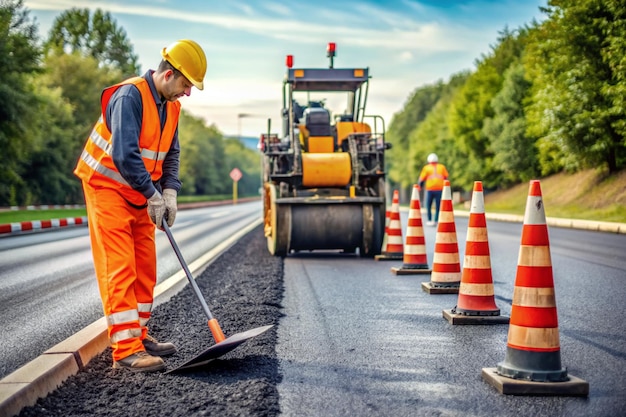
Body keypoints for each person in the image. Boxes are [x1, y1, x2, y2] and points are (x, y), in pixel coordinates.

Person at [74, 40, 207, 372]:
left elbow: (171, 154)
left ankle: (140, 334)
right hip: (107, 186)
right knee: (120, 267)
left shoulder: (171, 107)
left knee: (145, 265)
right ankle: (125, 349)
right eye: (186, 84)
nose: (187, 93)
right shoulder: (129, 96)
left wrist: (170, 191)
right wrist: (153, 194)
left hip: (140, 192)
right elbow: (124, 155)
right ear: (168, 74)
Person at [418, 153, 449, 226]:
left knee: (428, 205)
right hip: (439, 189)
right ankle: (436, 220)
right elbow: (446, 178)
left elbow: (421, 179)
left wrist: (420, 186)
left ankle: (429, 220)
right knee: (438, 205)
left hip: (430, 190)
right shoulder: (442, 167)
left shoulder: (426, 168)